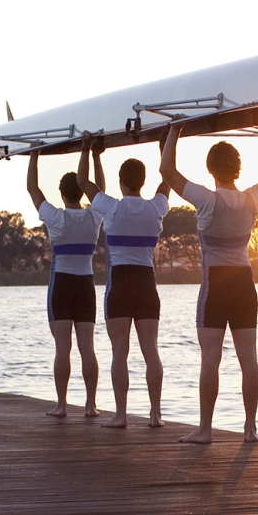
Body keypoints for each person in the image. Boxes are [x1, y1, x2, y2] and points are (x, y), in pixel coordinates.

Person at [158, 122, 258, 443]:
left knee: (210, 358)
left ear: (210, 169)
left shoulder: (206, 199)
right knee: (249, 359)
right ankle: (250, 428)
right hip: (244, 284)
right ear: (237, 169)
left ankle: (204, 430)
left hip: (215, 285)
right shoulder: (251, 200)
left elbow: (167, 170)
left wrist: (175, 131)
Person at [86, 135, 169, 428]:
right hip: (147, 284)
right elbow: (167, 179)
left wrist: (89, 152)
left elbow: (85, 184)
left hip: (120, 284)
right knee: (151, 351)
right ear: (142, 181)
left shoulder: (112, 208)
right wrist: (165, 144)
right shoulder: (156, 207)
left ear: (121, 182)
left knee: (120, 351)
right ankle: (155, 415)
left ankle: (120, 415)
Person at [27, 147, 104, 418]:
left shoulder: (56, 218)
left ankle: (61, 405)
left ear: (62, 194)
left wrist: (34, 155)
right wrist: (95, 157)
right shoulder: (94, 216)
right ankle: (91, 405)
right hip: (85, 285)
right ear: (83, 192)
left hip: (61, 284)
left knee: (63, 347)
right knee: (87, 347)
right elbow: (101, 191)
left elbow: (33, 189)